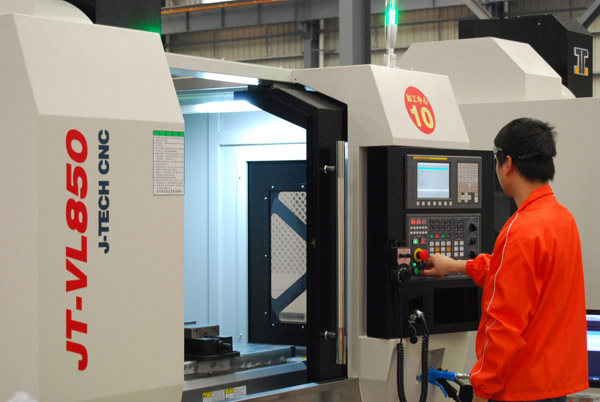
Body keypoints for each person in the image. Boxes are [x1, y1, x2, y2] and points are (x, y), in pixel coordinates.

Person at [423, 118, 588, 402]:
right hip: (552, 384)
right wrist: (456, 266)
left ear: (507, 163)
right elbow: (520, 274)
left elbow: (504, 322)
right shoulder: (562, 219)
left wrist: (482, 387)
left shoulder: (521, 229)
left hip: (520, 388)